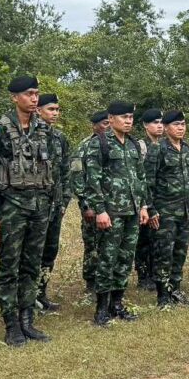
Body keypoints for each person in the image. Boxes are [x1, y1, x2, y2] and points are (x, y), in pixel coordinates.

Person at [0, 76, 56, 347]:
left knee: (32, 265)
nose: (34, 98)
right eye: (28, 94)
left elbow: (52, 168)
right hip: (11, 207)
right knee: (9, 266)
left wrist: (52, 203)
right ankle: (11, 325)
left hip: (40, 207)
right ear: (14, 97)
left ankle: (27, 320)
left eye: (36, 93)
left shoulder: (44, 129)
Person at [82, 101, 149, 324]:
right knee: (107, 259)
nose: (128, 121)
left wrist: (143, 206)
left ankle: (117, 304)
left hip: (131, 211)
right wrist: (100, 210)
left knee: (125, 258)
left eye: (130, 117)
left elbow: (140, 178)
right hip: (111, 213)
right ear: (111, 119)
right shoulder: (99, 143)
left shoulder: (133, 144)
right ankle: (101, 309)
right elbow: (92, 180)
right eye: (124, 117)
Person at [145, 110, 189, 307]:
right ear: (166, 128)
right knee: (163, 253)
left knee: (180, 253)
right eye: (176, 125)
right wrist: (151, 209)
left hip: (185, 211)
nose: (181, 128)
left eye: (183, 124)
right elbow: (147, 182)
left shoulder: (188, 148)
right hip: (165, 212)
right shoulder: (157, 149)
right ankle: (163, 296)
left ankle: (175, 290)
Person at [35, 93, 71, 311]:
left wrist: (64, 200)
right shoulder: (30, 136)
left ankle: (41, 293)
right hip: (34, 207)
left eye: (57, 109)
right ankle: (27, 298)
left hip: (55, 206)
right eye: (51, 109)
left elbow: (66, 172)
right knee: (32, 253)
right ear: (38, 110)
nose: (55, 113)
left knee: (49, 251)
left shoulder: (60, 138)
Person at [70, 111, 110, 297]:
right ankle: (91, 282)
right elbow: (77, 176)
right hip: (92, 205)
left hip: (111, 204)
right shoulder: (83, 147)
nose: (107, 127)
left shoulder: (114, 144)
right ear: (94, 126)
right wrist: (86, 205)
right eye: (104, 123)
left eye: (109, 123)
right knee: (92, 244)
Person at [134, 108, 164, 291]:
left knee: (157, 240)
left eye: (161, 123)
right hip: (145, 202)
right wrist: (147, 206)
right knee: (144, 240)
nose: (159, 126)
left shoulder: (163, 146)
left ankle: (154, 273)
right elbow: (141, 180)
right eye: (155, 123)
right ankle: (143, 276)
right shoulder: (140, 146)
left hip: (162, 202)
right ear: (146, 125)